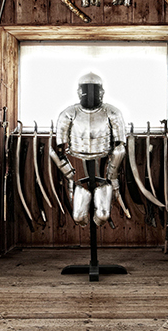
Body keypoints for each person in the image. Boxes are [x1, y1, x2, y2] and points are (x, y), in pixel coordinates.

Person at [51, 72, 126, 226]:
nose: (91, 93)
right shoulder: (68, 113)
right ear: (79, 91)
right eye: (87, 89)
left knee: (103, 215)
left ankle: (98, 220)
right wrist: (70, 175)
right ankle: (85, 221)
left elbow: (120, 148)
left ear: (102, 91)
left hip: (103, 157)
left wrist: (112, 176)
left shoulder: (112, 112)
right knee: (78, 216)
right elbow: (58, 151)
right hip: (77, 160)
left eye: (95, 89)